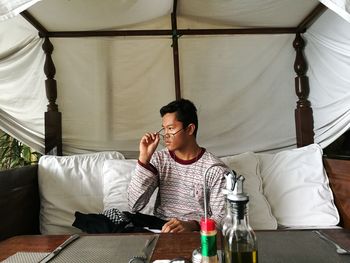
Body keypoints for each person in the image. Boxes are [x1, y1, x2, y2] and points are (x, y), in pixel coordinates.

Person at [127, 99, 227, 233]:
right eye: (164, 128)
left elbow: (223, 219)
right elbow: (134, 205)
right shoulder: (160, 159)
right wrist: (144, 160)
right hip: (160, 228)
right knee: (114, 218)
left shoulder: (215, 169)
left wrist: (192, 225)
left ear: (190, 129)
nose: (165, 135)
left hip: (195, 233)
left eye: (171, 128)